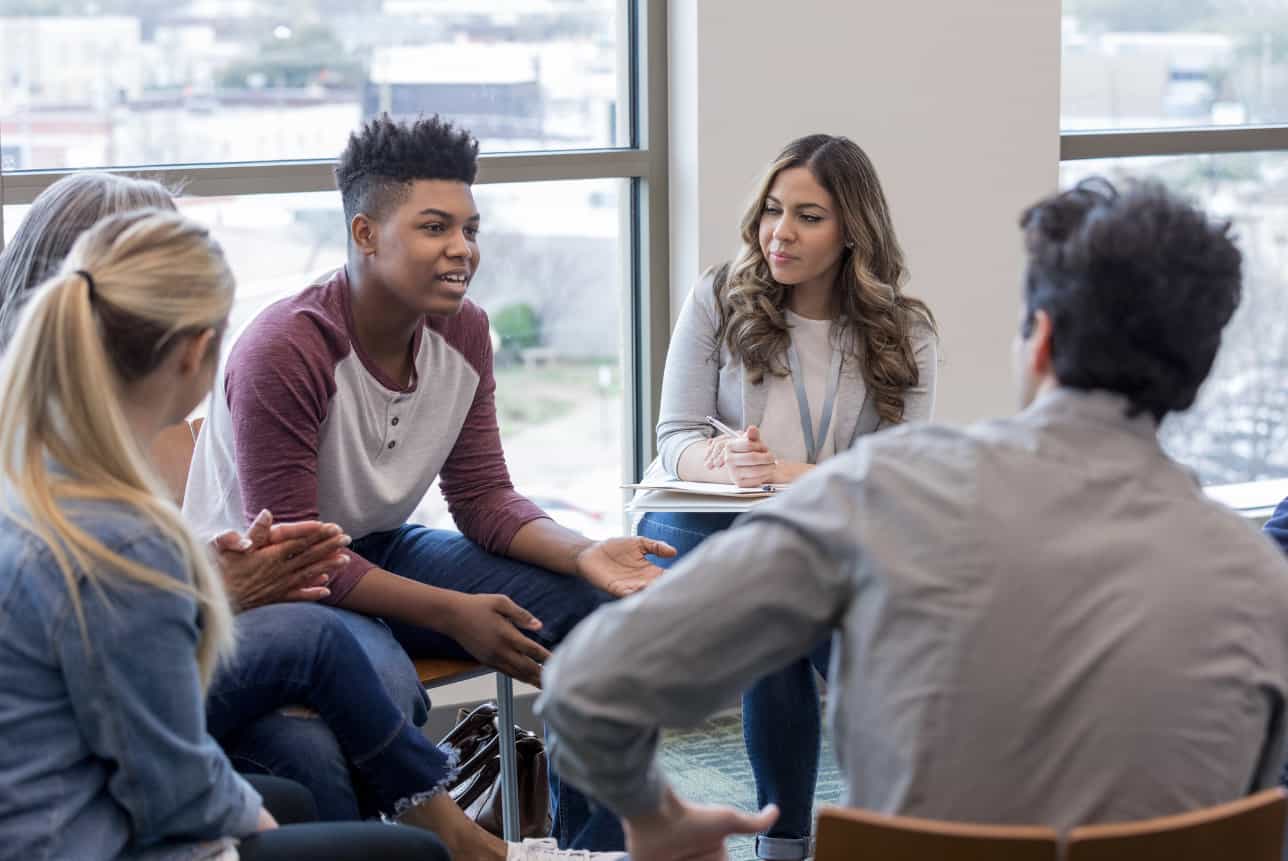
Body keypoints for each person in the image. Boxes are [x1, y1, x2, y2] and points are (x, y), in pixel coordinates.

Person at [538, 178, 1288, 861]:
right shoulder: (1261, 581)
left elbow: (585, 690)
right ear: (1196, 375)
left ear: (1042, 340)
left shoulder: (882, 491)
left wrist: (657, 814)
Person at [182, 113, 674, 852]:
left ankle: (586, 847)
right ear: (365, 233)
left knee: (597, 610)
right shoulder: (285, 349)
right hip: (272, 585)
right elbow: (300, 560)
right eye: (435, 227)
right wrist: (453, 611)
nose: (462, 249)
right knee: (383, 689)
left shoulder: (464, 331)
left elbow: (482, 497)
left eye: (470, 229)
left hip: (379, 546)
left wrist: (583, 554)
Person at [0, 209, 449, 860]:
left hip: (49, 801)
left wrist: (195, 581)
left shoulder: (39, 473)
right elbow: (169, 789)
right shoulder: (125, 537)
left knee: (301, 755)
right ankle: (448, 833)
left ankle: (441, 821)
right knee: (411, 854)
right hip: (86, 836)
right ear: (195, 351)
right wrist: (253, 824)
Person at [635, 133, 937, 860]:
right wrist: (724, 462)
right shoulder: (719, 296)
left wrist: (790, 475)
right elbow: (674, 436)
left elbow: (893, 472)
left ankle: (796, 842)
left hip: (817, 531)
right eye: (773, 210)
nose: (781, 232)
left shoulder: (904, 331)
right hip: (706, 521)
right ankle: (838, 834)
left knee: (788, 609)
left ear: (852, 230)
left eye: (808, 216)